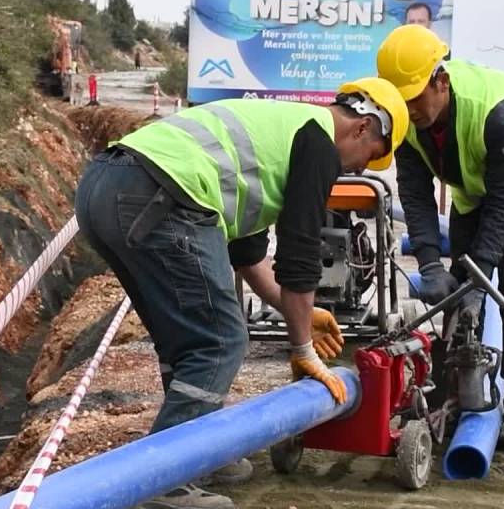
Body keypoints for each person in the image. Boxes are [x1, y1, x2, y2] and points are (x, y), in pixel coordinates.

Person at [74, 80, 409, 508]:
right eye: (370, 159)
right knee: (221, 340)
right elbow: (299, 252)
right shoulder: (318, 143)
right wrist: (302, 346)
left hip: (107, 186)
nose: (359, 171)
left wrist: (302, 314)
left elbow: (251, 256)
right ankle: (166, 482)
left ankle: (198, 448)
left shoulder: (282, 129)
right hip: (159, 194)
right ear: (363, 128)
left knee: (186, 337)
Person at [375, 24, 504, 451]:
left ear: (440, 82)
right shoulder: (407, 122)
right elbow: (416, 195)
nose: (409, 109)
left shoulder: (495, 113)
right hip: (475, 187)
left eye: (415, 97)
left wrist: (480, 283)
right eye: (401, 100)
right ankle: (454, 392)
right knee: (459, 282)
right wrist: (428, 261)